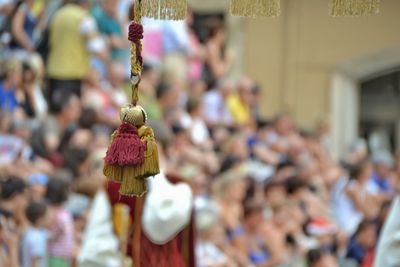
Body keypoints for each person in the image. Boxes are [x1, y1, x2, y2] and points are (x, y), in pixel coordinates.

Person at [46, 0, 107, 111]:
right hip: (72, 74)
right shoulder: (84, 18)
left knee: (55, 110)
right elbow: (98, 48)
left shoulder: (58, 14)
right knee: (69, 112)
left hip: (53, 70)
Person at [46, 178, 75, 267]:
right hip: (55, 255)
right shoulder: (50, 212)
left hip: (65, 255)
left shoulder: (63, 210)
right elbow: (48, 233)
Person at [203, 21, 232, 90]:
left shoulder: (215, 47)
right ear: (217, 33)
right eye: (223, 33)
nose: (225, 36)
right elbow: (217, 73)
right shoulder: (212, 47)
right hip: (209, 88)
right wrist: (228, 61)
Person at [21, 201, 50, 267]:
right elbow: (35, 260)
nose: (50, 218)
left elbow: (50, 236)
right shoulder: (37, 238)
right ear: (40, 219)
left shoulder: (31, 232)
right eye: (48, 216)